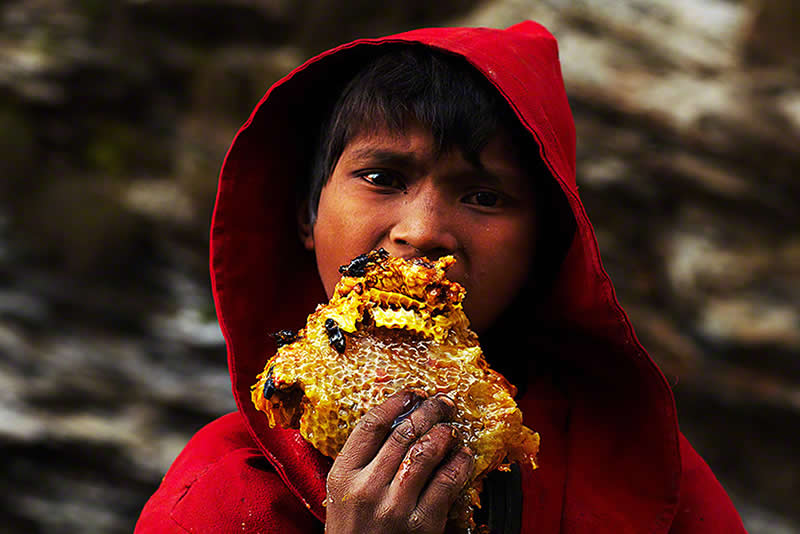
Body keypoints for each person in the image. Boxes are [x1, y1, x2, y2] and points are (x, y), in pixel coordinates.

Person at [135, 21, 747, 533]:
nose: (423, 232)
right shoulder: (222, 496)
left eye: (483, 196)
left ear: (547, 248)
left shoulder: (642, 474)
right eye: (382, 178)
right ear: (307, 215)